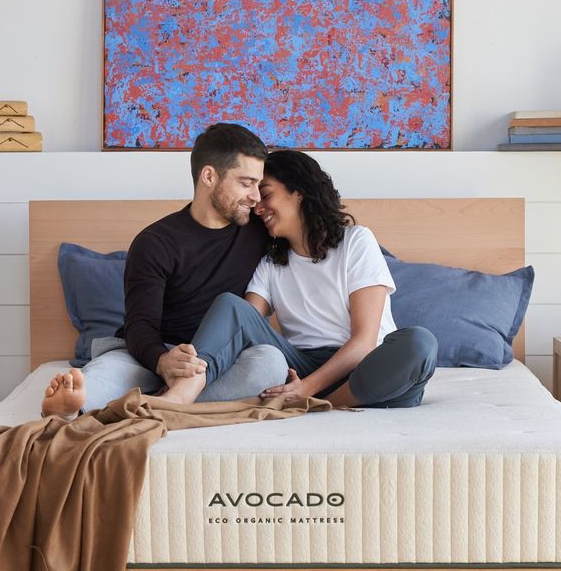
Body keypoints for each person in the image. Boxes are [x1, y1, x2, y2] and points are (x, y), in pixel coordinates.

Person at [41, 123, 288, 417]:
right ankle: (73, 405)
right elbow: (140, 324)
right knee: (104, 373)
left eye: (258, 186)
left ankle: (159, 403)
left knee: (270, 362)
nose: (256, 198)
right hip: (149, 354)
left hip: (220, 360)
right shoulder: (155, 242)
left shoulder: (260, 230)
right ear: (209, 176)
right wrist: (163, 361)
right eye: (245, 183)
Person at [160, 150, 438, 408]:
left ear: (299, 192)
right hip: (303, 365)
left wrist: (306, 390)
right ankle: (181, 395)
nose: (258, 206)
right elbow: (244, 323)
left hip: (369, 369)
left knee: (419, 343)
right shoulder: (271, 263)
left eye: (265, 194)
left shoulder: (356, 241)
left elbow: (364, 342)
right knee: (230, 306)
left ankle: (321, 404)